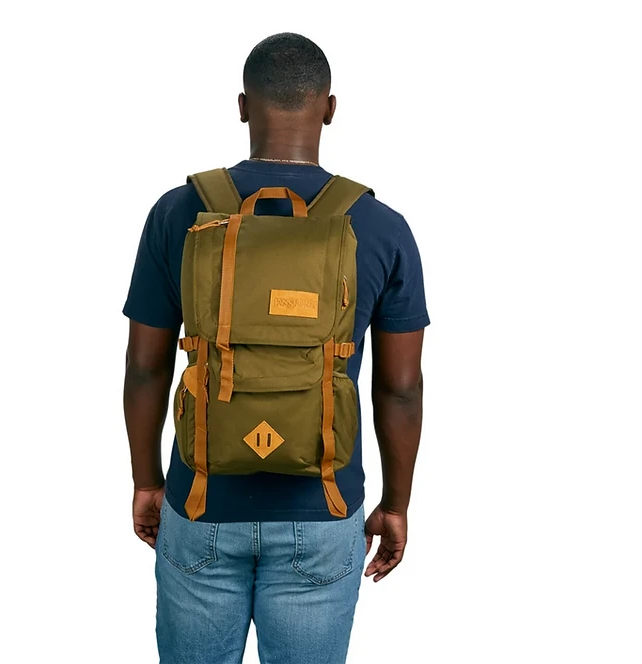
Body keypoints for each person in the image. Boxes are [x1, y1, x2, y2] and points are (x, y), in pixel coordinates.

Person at [123, 32, 428, 664]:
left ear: (243, 107)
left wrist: (148, 481)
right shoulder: (380, 227)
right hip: (323, 509)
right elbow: (400, 388)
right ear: (330, 108)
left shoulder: (178, 213)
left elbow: (145, 368)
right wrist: (395, 505)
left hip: (200, 503)